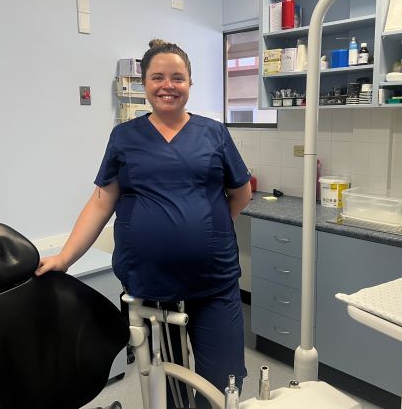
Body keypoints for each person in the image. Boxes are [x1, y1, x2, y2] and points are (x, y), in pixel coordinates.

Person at [36, 39, 252, 408]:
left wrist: (208, 230)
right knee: (168, 378)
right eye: (158, 77)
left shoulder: (213, 133)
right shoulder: (125, 137)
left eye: (178, 78)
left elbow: (241, 192)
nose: (168, 85)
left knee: (223, 381)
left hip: (213, 280)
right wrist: (65, 258)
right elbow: (102, 201)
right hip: (154, 283)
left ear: (190, 83)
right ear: (144, 84)